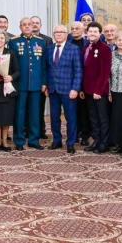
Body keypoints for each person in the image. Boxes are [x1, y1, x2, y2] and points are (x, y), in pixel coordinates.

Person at [9, 18, 47, 150]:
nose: (27, 27)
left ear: (33, 26)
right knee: (19, 114)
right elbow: (11, 64)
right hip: (20, 83)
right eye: (24, 25)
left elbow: (43, 65)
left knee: (35, 113)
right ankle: (19, 141)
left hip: (36, 84)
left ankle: (34, 140)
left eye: (29, 24)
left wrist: (44, 82)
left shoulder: (40, 42)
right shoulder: (14, 42)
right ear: (20, 27)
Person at [45, 25, 81, 153]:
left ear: (67, 34)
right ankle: (57, 140)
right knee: (54, 117)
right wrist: (46, 86)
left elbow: (78, 70)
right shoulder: (49, 49)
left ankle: (70, 143)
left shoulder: (74, 49)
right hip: (53, 89)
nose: (59, 34)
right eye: (56, 32)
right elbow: (47, 69)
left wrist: (75, 88)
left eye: (62, 32)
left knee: (70, 117)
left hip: (68, 90)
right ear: (53, 34)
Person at [81, 22, 112, 154]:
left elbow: (105, 72)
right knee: (93, 118)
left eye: (95, 32)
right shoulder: (86, 48)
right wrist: (82, 89)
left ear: (100, 33)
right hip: (88, 90)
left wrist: (98, 90)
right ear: (86, 33)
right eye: (90, 31)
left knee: (102, 118)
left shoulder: (105, 48)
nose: (92, 34)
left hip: (99, 91)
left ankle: (104, 143)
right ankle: (96, 141)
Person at [69, 21, 91, 146]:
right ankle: (75, 133)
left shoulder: (88, 44)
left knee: (84, 111)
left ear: (83, 30)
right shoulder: (67, 43)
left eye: (77, 28)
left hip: (85, 82)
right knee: (73, 111)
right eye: (72, 28)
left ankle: (85, 135)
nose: (74, 30)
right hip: (70, 83)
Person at [31, 16, 52, 141]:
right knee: (28, 108)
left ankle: (41, 130)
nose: (34, 25)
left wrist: (46, 82)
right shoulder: (24, 39)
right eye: (32, 23)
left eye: (37, 23)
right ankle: (28, 130)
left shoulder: (47, 40)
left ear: (41, 25)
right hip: (28, 80)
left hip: (41, 80)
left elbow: (48, 62)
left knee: (40, 107)